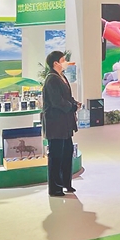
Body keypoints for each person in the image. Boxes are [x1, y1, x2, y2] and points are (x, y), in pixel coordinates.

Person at [41, 51, 79, 197]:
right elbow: (57, 102)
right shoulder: (51, 79)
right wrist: (72, 107)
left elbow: (67, 97)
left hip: (65, 124)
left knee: (67, 153)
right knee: (56, 156)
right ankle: (55, 188)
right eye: (63, 60)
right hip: (55, 124)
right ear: (55, 63)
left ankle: (66, 183)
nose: (65, 62)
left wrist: (75, 103)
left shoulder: (62, 77)